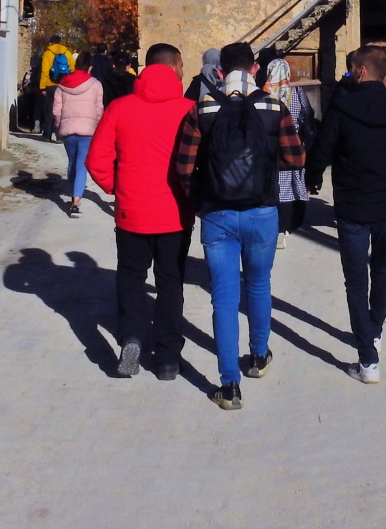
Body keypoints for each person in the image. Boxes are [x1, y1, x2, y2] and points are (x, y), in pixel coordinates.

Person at [172, 41, 305, 410]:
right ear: (254, 68)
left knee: (224, 296)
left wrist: (200, 202)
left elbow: (184, 168)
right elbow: (297, 158)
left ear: (219, 70)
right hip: (262, 212)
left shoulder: (203, 108)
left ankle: (229, 384)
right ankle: (258, 356)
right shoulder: (273, 107)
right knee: (259, 284)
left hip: (217, 214)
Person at [306, 45, 386, 385]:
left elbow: (321, 151)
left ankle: (367, 359)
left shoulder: (342, 107)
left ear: (360, 71)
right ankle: (375, 330)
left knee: (356, 281)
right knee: (382, 268)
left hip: (352, 206)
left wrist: (311, 179)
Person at [86, 43, 196, 380]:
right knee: (170, 281)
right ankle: (166, 358)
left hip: (132, 211)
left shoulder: (120, 108)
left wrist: (116, 188)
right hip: (175, 212)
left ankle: (131, 336)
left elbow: (96, 160)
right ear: (175, 66)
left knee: (131, 276)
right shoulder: (190, 109)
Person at [265, 57, 316, 247]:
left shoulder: (264, 92)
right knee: (290, 184)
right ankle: (285, 226)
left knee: (274, 183)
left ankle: (273, 226)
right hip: (292, 142)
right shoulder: (297, 92)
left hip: (270, 144)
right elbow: (307, 114)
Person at [52, 53, 105, 217]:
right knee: (82, 164)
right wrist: (97, 126)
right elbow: (99, 109)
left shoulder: (62, 85)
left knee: (72, 162)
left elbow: (56, 110)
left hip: (68, 130)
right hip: (88, 131)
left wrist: (59, 125)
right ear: (89, 67)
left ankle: (72, 189)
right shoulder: (96, 85)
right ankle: (75, 202)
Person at [37, 35, 74, 142]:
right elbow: (72, 68)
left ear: (51, 42)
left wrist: (42, 87)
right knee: (61, 110)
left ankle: (47, 134)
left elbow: (44, 71)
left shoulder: (48, 53)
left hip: (50, 85)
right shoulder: (67, 53)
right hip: (64, 85)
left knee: (49, 110)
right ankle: (59, 134)